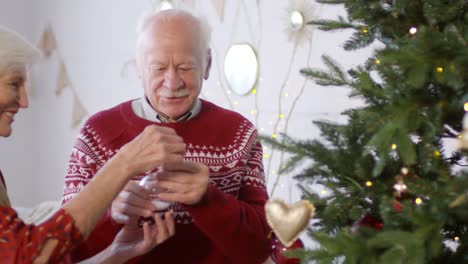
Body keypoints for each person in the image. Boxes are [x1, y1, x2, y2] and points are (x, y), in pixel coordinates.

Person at [62, 9, 273, 264]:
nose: (172, 83)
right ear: (139, 67)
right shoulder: (96, 135)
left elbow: (263, 246)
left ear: (207, 64)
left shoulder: (240, 133)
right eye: (159, 68)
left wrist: (208, 199)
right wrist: (112, 215)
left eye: (186, 67)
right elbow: (67, 252)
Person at [0, 26, 177, 264]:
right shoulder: (98, 129)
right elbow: (29, 256)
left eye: (186, 67)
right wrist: (124, 163)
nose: (24, 101)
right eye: (14, 84)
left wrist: (116, 253)